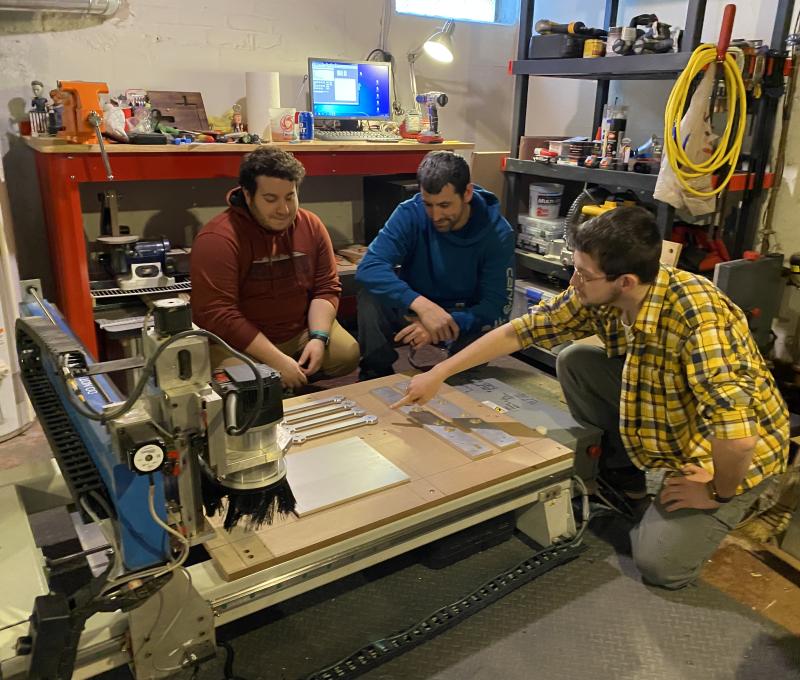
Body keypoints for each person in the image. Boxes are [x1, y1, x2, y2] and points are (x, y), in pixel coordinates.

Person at [394, 206, 789, 590]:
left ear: (626, 281)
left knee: (659, 564)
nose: (574, 281)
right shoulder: (602, 294)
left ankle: (749, 498)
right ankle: (624, 469)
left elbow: (738, 437)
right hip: (673, 406)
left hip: (732, 448)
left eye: (583, 274)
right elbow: (522, 331)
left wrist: (718, 490)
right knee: (577, 359)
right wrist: (439, 373)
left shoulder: (701, 321)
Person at [190, 146, 359, 389]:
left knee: (347, 354)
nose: (284, 209)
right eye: (271, 199)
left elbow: (326, 288)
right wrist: (276, 360)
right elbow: (220, 314)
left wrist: (318, 339)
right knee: (244, 382)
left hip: (297, 333)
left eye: (290, 197)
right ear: (248, 196)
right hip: (239, 343)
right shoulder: (217, 239)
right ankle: (273, 381)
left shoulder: (310, 225)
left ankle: (287, 378)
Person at [355, 151, 515, 380]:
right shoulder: (410, 212)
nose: (436, 215)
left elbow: (497, 307)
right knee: (370, 296)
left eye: (445, 205)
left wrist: (444, 322)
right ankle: (375, 371)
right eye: (428, 204)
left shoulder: (498, 233)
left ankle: (458, 371)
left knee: (465, 373)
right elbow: (369, 267)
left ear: (467, 193)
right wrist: (423, 307)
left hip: (464, 315)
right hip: (415, 307)